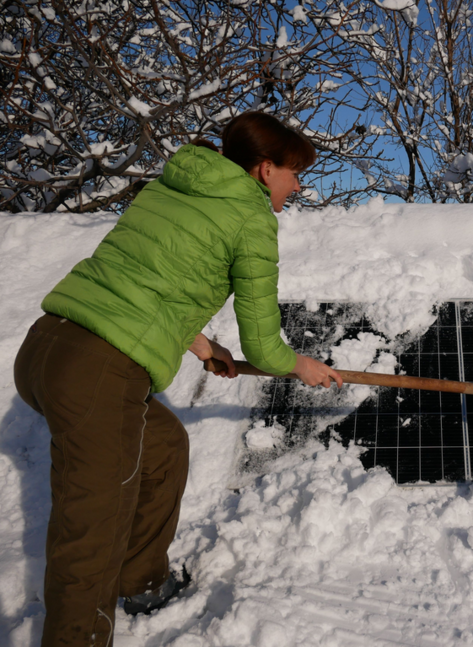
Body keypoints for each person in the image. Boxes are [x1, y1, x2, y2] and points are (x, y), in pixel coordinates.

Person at [13, 111, 342, 647]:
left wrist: (203, 346)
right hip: (99, 371)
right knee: (90, 537)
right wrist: (299, 364)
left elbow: (151, 277)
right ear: (264, 170)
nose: (298, 184)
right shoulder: (251, 218)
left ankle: (143, 581)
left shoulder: (172, 187)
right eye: (293, 171)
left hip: (48, 347)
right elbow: (262, 344)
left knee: (163, 448)